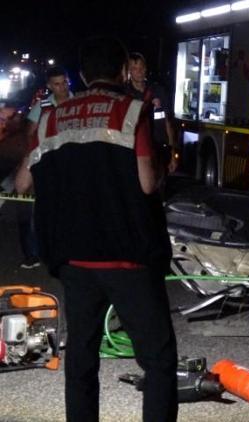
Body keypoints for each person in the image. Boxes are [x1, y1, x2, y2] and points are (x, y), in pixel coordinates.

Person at [15, 36, 177, 422]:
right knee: (157, 359)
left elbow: (22, 183)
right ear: (122, 70)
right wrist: (162, 164)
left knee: (82, 357)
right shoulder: (132, 111)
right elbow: (147, 183)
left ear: (83, 75)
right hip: (128, 256)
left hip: (73, 257)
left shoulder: (52, 119)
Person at [17, 66, 73, 269]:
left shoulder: (78, 102)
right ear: (50, 86)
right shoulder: (42, 105)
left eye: (64, 82)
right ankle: (32, 253)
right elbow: (30, 133)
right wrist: (29, 160)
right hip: (44, 159)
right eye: (57, 84)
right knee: (29, 203)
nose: (62, 87)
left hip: (69, 161)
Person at [124, 52, 177, 187]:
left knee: (159, 190)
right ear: (129, 71)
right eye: (135, 68)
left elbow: (168, 122)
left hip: (159, 148)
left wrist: (172, 153)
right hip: (137, 152)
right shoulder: (125, 95)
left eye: (141, 68)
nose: (139, 72)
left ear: (146, 69)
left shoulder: (158, 91)